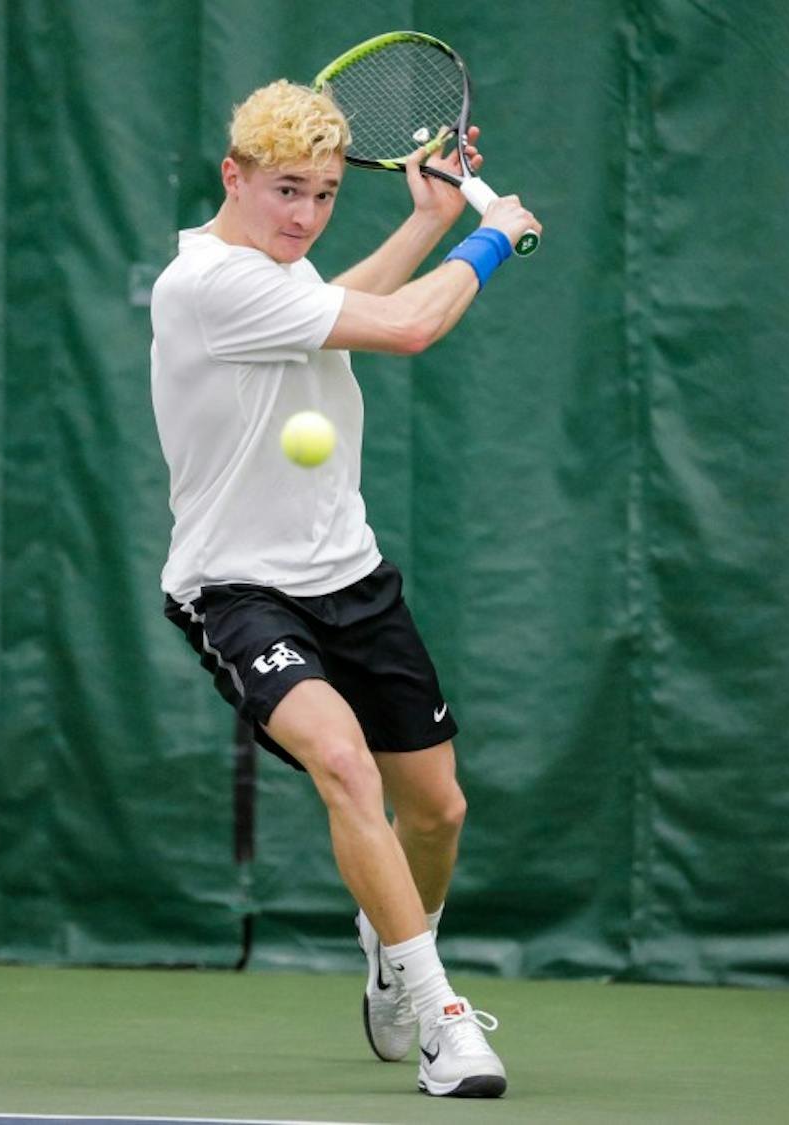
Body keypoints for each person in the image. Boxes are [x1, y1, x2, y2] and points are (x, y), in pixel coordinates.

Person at [150, 79, 539, 1099]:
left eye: (324, 195)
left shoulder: (273, 276)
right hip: (238, 591)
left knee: (439, 813)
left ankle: (393, 942)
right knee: (343, 765)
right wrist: (490, 238)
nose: (306, 216)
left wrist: (426, 219)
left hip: (352, 580)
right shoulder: (202, 284)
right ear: (232, 176)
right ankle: (441, 1014)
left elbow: (346, 304)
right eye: (286, 191)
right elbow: (407, 328)